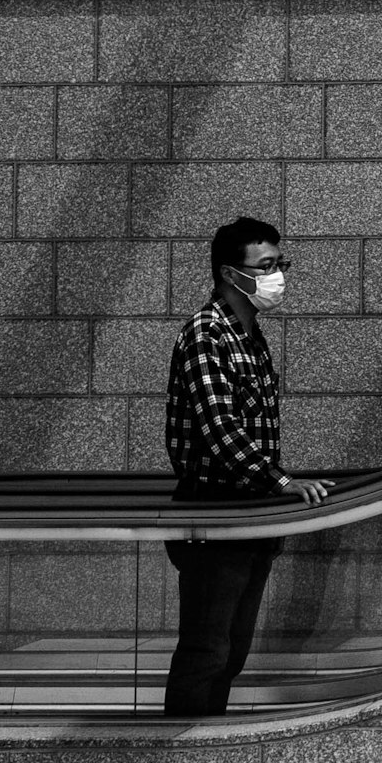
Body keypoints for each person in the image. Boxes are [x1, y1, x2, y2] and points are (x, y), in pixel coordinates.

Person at [161, 215, 331, 716]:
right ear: (231, 274)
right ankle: (180, 746)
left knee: (231, 651)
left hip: (251, 513)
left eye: (281, 264)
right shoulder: (206, 334)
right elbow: (219, 430)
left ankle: (207, 736)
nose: (278, 276)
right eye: (267, 266)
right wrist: (282, 480)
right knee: (206, 649)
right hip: (214, 515)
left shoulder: (250, 336)